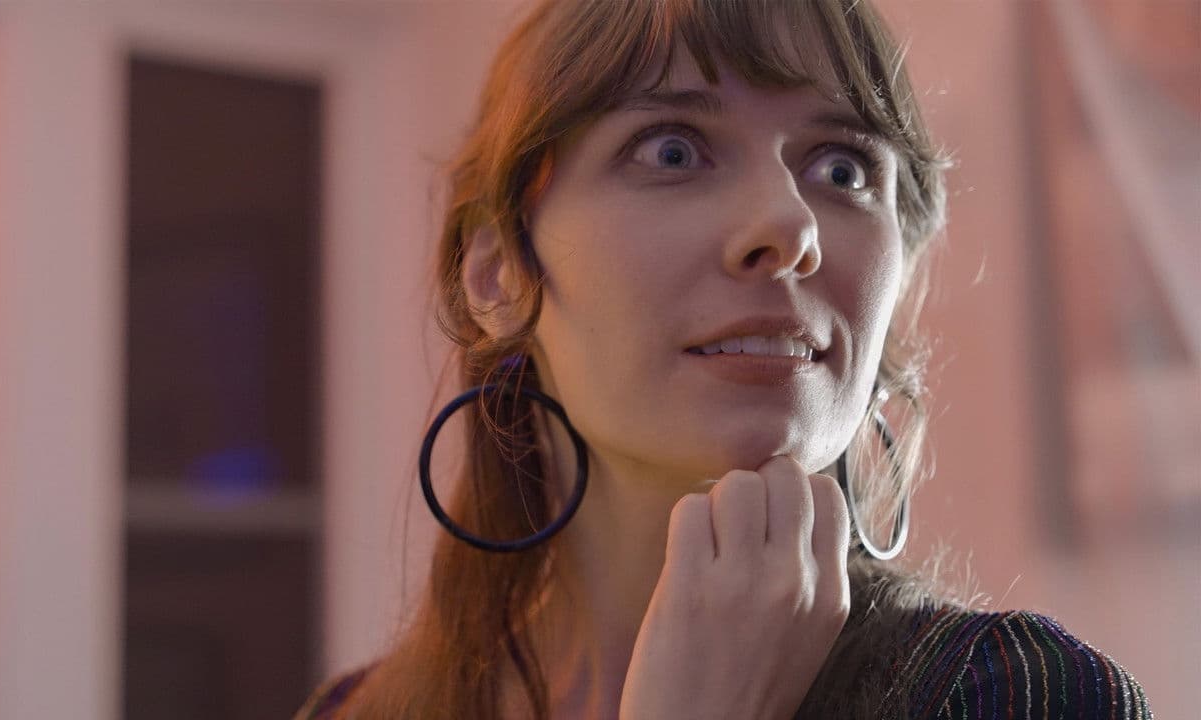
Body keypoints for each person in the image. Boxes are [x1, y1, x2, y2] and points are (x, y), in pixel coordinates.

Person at [296, 0, 1152, 718]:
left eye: (844, 169)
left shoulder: (1019, 698)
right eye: (672, 150)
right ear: (499, 274)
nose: (789, 227)